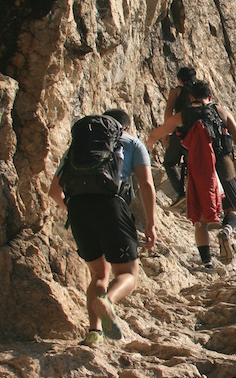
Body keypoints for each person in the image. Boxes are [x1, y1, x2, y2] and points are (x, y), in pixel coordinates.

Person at [49, 108, 157, 347]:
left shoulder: (77, 148)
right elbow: (146, 184)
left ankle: (94, 332)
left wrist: (76, 209)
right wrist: (150, 224)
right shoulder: (132, 143)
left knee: (98, 274)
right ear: (125, 127)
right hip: (111, 207)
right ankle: (107, 301)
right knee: (127, 273)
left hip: (77, 208)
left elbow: (54, 191)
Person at [147, 80, 236, 268]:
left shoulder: (182, 116)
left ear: (191, 97)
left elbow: (157, 133)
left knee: (199, 220)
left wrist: (149, 144)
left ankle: (207, 262)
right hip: (223, 164)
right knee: (231, 209)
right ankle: (226, 230)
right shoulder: (221, 111)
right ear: (210, 97)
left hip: (198, 167)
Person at [162, 66, 196, 209]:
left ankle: (181, 193)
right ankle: (195, 200)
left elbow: (168, 112)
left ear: (180, 79)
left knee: (169, 163)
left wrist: (165, 134)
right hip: (196, 134)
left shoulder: (177, 91)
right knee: (193, 167)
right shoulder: (199, 91)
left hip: (179, 133)